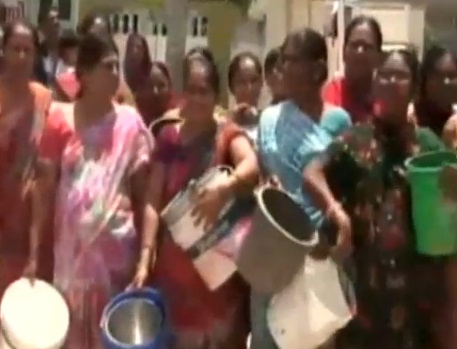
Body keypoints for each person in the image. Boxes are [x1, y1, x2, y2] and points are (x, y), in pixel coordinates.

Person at [303, 49, 451, 349]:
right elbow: (311, 173)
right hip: (364, 301)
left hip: (416, 301)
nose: (391, 81)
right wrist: (336, 213)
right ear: (374, 84)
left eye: (400, 75)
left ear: (414, 87)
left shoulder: (429, 146)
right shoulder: (356, 140)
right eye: (384, 75)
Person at [33, 31, 152, 349]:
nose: (115, 74)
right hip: (70, 268)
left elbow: (144, 197)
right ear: (83, 74)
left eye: (117, 66)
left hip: (116, 268)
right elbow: (43, 193)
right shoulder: (59, 119)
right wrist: (34, 255)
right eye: (107, 67)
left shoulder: (130, 123)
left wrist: (144, 258)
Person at [145, 53, 259, 349]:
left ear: (216, 95)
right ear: (182, 93)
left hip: (217, 283)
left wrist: (226, 188)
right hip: (172, 281)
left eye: (204, 91)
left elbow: (251, 165)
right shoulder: (168, 139)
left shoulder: (226, 136)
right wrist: (145, 256)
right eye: (191, 90)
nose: (197, 98)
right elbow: (151, 202)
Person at [252, 27, 352, 349]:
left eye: (291, 59)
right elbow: (261, 173)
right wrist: (265, 185)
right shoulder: (269, 119)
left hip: (317, 258)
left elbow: (341, 188)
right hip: (271, 253)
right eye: (282, 59)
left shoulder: (339, 123)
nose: (282, 67)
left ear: (317, 69)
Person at [0, 21, 52, 349]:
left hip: (35, 228)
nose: (20, 56)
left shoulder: (45, 99)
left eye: (26, 49)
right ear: (2, 52)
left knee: (29, 322)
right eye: (14, 48)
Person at [54, 13, 132, 104]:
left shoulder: (119, 88)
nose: (98, 41)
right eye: (92, 36)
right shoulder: (64, 85)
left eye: (103, 34)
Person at [323, 16, 383, 123]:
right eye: (354, 45)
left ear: (379, 56)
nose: (359, 52)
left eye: (367, 47)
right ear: (343, 52)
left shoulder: (387, 102)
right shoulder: (329, 97)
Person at [416, 46, 457, 146]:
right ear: (424, 80)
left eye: (452, 76)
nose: (446, 82)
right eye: (438, 76)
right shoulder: (410, 120)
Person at [227, 51, 263, 141]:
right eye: (242, 82)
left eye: (254, 80)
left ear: (261, 83)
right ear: (232, 86)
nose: (249, 88)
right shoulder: (224, 128)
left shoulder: (269, 125)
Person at [136, 61, 175, 128]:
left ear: (170, 87)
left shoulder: (179, 126)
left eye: (161, 86)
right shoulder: (133, 125)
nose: (155, 92)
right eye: (150, 86)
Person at [38, 6, 61, 87]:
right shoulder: (37, 51)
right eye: (52, 19)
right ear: (42, 25)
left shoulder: (65, 49)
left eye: (58, 18)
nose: (56, 22)